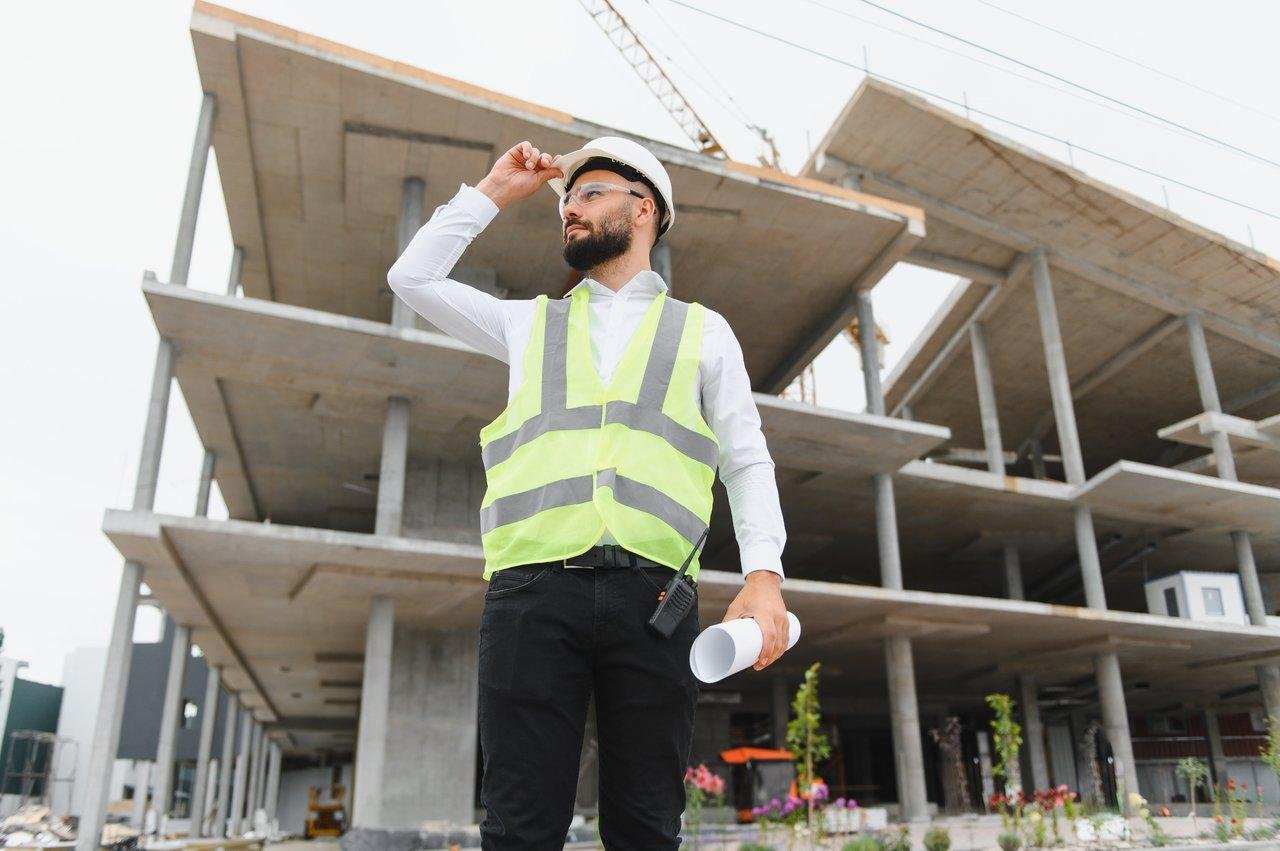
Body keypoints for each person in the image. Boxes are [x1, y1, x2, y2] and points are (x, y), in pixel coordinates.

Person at [387, 137, 790, 849]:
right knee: (518, 828)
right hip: (529, 599)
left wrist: (764, 575)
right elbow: (411, 279)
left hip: (657, 605)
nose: (570, 208)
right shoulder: (526, 324)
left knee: (645, 828)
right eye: (566, 199)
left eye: (590, 192)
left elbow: (749, 461)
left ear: (644, 209)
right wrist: (491, 190)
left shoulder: (704, 333)